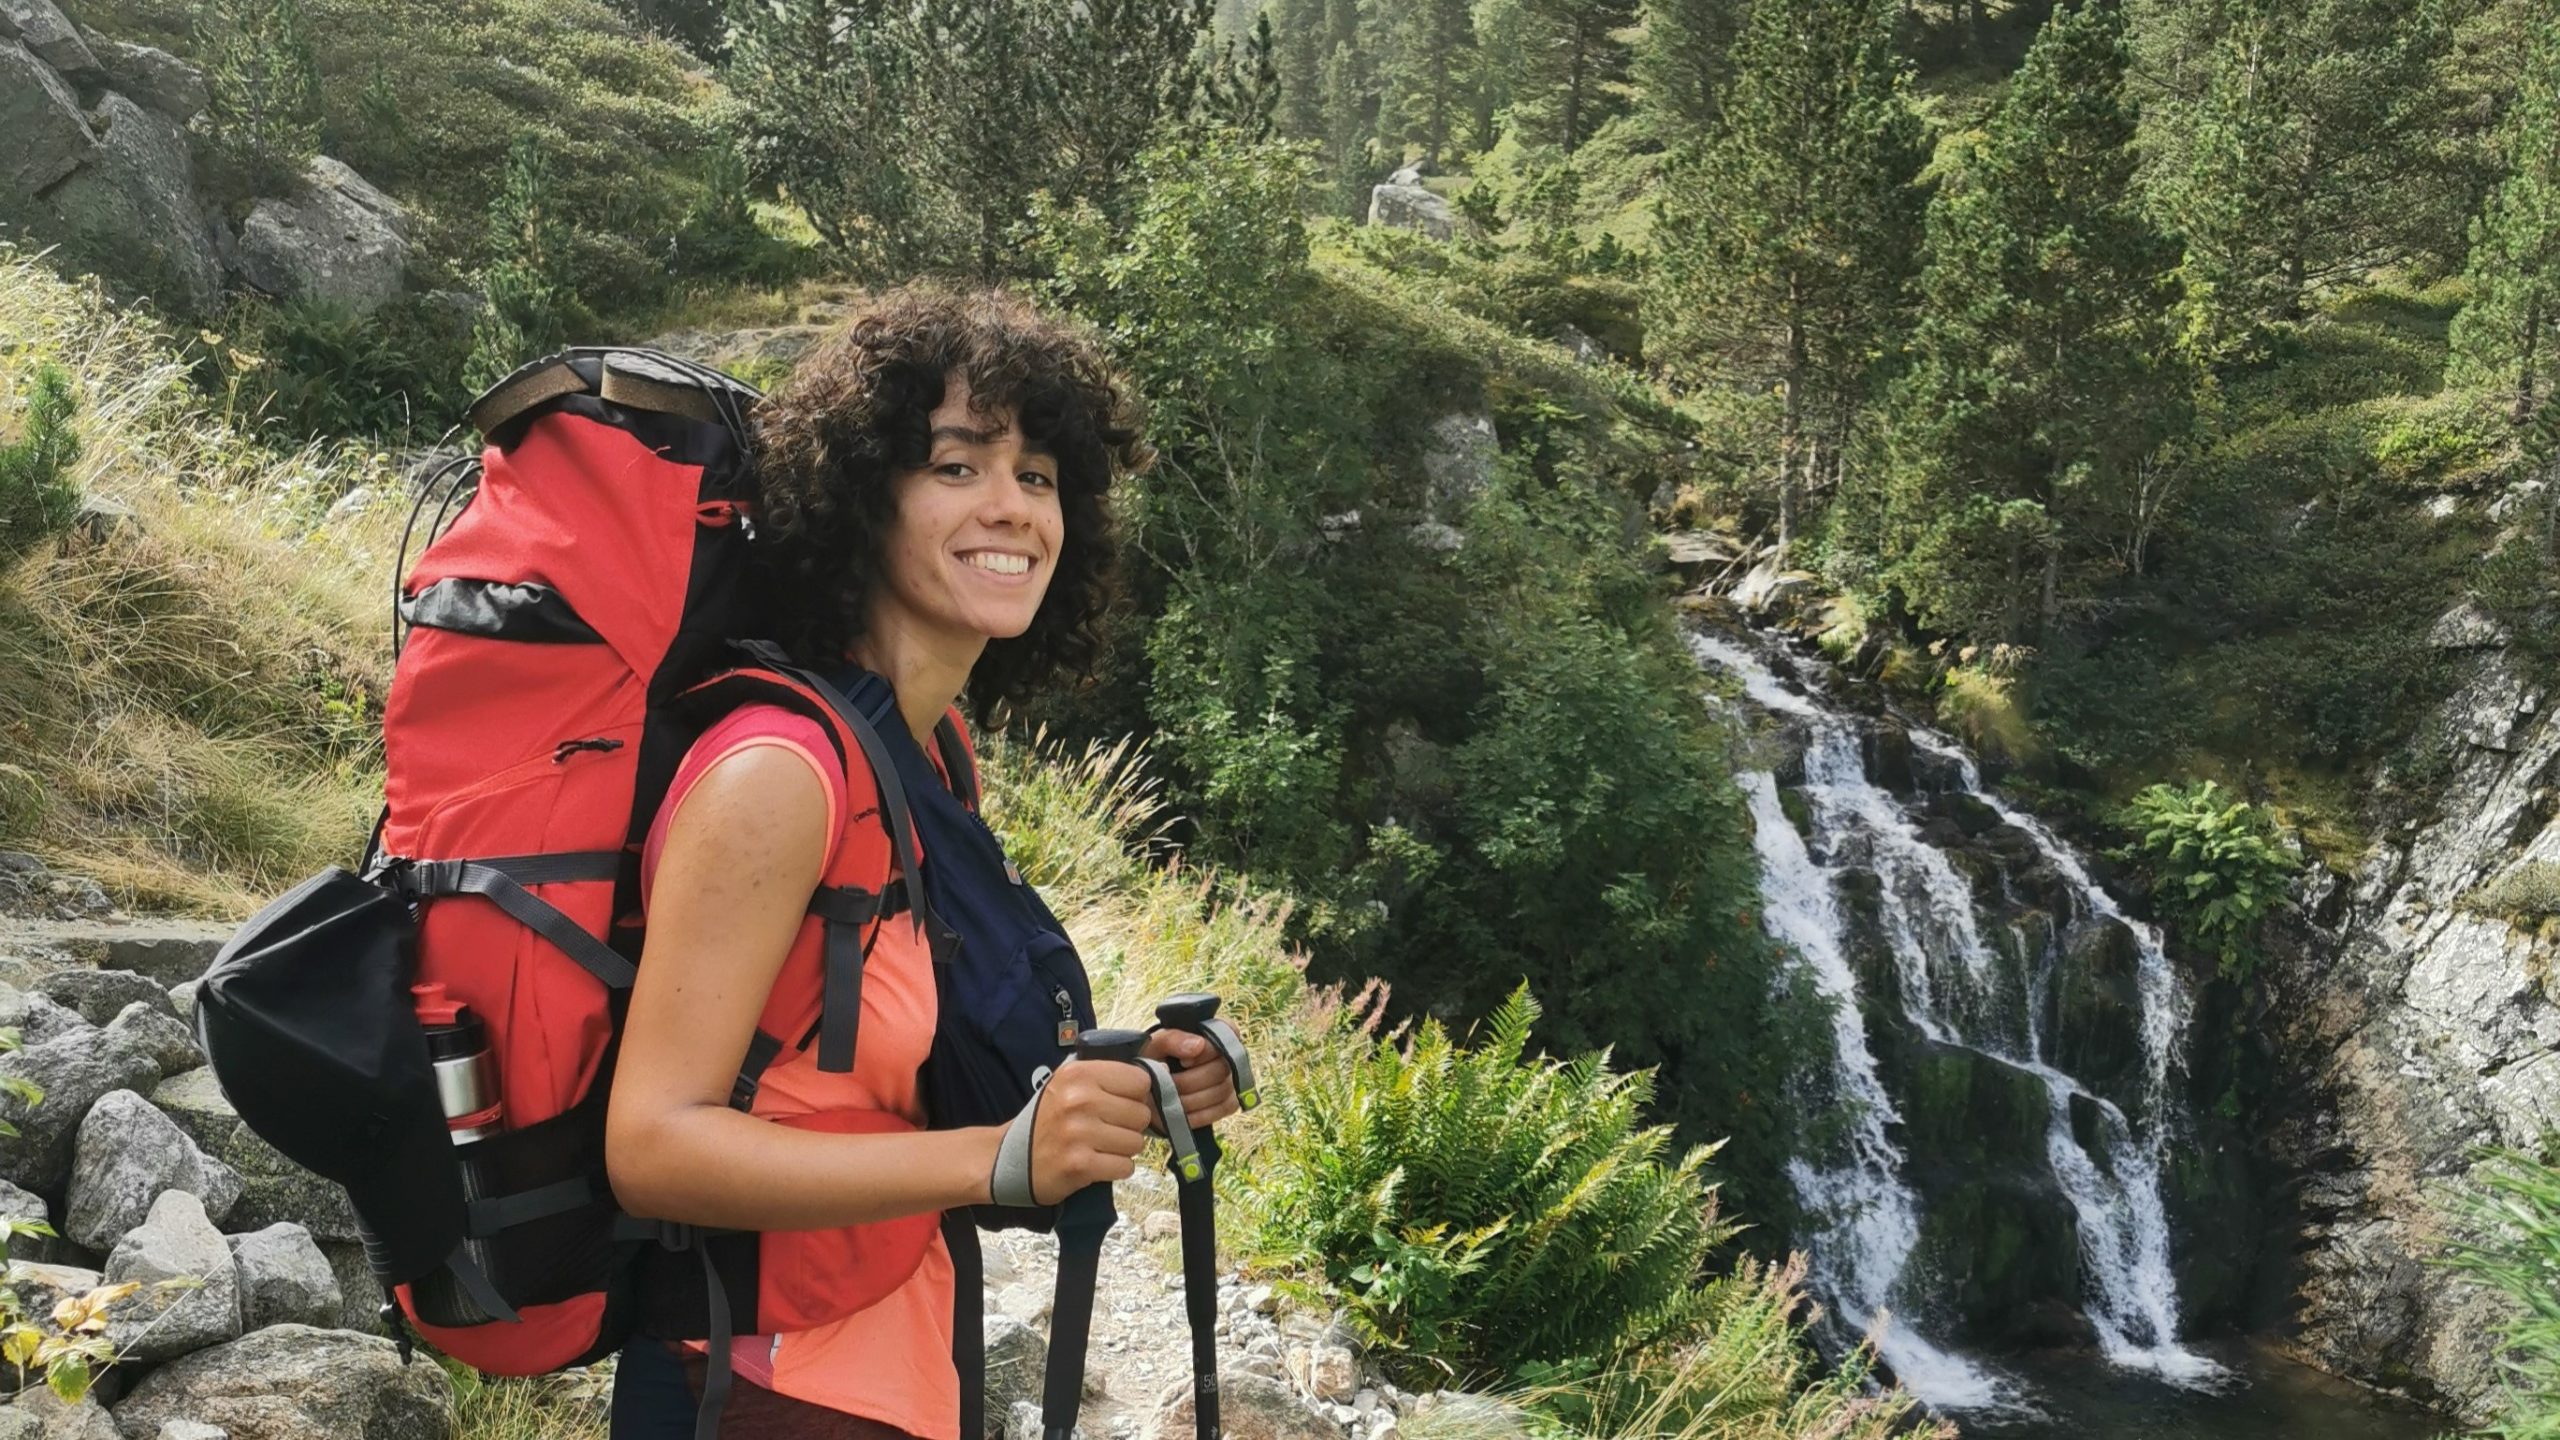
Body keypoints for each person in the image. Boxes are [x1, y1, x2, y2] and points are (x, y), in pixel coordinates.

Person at [602, 286, 1242, 1438]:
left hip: (897, 1361)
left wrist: (1137, 1081)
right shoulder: (779, 773)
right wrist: (995, 1162)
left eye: (1039, 476)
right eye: (957, 468)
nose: (1013, 509)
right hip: (750, 1389)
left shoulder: (925, 756)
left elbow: (904, 1068)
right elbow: (652, 1145)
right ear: (861, 498)